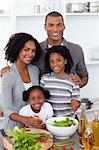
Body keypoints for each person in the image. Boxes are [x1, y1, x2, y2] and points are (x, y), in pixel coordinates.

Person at [1, 11, 88, 88]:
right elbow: (22, 67)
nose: (55, 29)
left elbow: (84, 76)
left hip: (67, 103)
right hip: (40, 103)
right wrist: (8, 71)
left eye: (59, 25)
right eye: (51, 25)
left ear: (64, 27)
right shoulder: (35, 50)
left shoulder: (76, 50)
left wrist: (78, 83)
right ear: (45, 27)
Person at [1, 32, 41, 132]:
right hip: (14, 130)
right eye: (26, 50)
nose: (30, 54)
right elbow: (7, 111)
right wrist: (26, 120)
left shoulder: (35, 70)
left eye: (33, 51)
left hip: (34, 128)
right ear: (17, 49)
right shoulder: (8, 76)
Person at [40, 45, 80, 116]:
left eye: (58, 60)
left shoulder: (73, 80)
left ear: (65, 61)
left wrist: (75, 102)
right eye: (52, 61)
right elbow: (41, 97)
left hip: (68, 120)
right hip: (50, 120)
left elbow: (76, 99)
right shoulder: (44, 79)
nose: (55, 64)